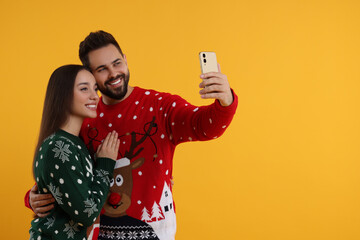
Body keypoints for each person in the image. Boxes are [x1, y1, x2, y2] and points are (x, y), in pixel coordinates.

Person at [26, 31, 238, 240]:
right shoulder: (84, 115)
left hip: (153, 231)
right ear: (90, 74)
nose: (113, 74)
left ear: (126, 60)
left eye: (117, 63)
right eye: (102, 69)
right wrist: (34, 197)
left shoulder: (160, 106)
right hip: (96, 234)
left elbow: (205, 126)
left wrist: (225, 100)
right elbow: (66, 171)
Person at [29, 64, 120, 240]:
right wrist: (105, 164)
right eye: (84, 89)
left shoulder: (72, 142)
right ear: (63, 94)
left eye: (95, 89)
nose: (95, 96)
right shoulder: (59, 147)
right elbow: (88, 214)